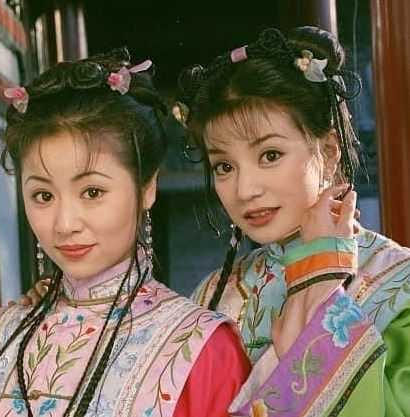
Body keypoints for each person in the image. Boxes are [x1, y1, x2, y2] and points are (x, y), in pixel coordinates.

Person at [0, 48, 250, 417]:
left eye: (92, 192)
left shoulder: (202, 350)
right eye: (43, 195)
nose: (65, 223)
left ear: (147, 186)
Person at [175, 26, 410, 416]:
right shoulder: (211, 295)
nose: (245, 189)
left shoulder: (398, 284)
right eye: (224, 166)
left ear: (329, 151)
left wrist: (319, 286)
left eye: (269, 155)